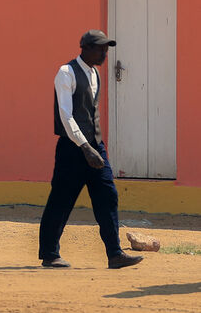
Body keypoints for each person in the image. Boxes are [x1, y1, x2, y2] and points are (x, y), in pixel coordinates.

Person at [38, 30, 144, 269]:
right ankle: (49, 253)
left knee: (108, 196)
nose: (105, 53)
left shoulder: (95, 73)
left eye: (106, 48)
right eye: (100, 48)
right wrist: (84, 147)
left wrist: (94, 145)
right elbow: (66, 116)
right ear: (84, 47)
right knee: (61, 200)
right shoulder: (66, 73)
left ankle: (114, 254)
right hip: (72, 149)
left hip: (95, 146)